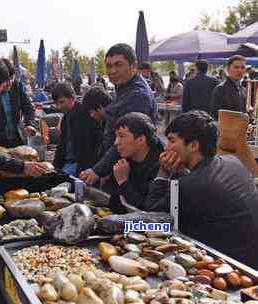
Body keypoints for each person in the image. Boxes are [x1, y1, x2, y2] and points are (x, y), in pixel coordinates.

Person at [144, 111, 258, 269]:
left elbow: (152, 219)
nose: (167, 147)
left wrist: (163, 173)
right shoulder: (233, 162)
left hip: (229, 266)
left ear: (193, 145)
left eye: (171, 141)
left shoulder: (188, 186)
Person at [79, 43, 158, 185]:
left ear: (133, 66)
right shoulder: (124, 86)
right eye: (109, 66)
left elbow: (124, 141)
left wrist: (97, 171)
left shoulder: (137, 95)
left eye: (118, 65)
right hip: (119, 165)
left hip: (131, 172)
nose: (113, 71)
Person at [103, 112, 164, 213]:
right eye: (116, 136)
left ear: (141, 139)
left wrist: (123, 181)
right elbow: (109, 193)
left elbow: (148, 210)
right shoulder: (124, 157)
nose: (116, 142)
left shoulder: (162, 167)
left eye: (121, 136)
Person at [0, 58, 37, 149]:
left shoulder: (17, 86)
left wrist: (30, 124)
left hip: (18, 138)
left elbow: (28, 107)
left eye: (12, 78)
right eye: (6, 80)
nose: (10, 83)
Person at [52, 82, 104, 176]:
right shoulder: (66, 117)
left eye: (61, 102)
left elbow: (89, 146)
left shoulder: (84, 114)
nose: (59, 106)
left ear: (72, 98)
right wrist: (54, 167)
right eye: (56, 103)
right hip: (71, 164)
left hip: (80, 167)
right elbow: (62, 145)